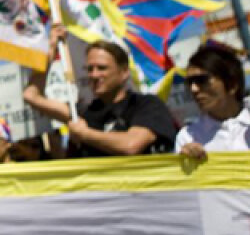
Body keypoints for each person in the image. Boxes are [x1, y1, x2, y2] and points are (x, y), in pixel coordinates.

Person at [23, 25, 177, 157]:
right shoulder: (83, 113)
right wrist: (50, 49)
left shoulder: (147, 105)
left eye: (102, 68)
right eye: (90, 69)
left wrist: (86, 134)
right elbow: (31, 95)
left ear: (124, 72)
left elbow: (131, 145)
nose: (94, 75)